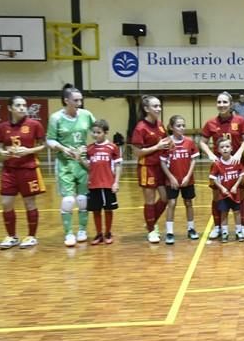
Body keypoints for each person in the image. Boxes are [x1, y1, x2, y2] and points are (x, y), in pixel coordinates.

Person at [47, 84, 95, 247]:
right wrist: (62, 148)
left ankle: (82, 229)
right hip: (65, 163)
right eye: (76, 100)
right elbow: (50, 140)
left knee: (82, 199)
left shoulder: (86, 115)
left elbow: (97, 131)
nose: (79, 103)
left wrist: (87, 148)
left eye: (81, 99)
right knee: (68, 200)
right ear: (66, 100)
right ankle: (68, 233)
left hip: (82, 162)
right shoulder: (56, 118)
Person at [0, 96, 46, 250]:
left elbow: (44, 145)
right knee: (6, 203)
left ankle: (31, 236)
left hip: (28, 169)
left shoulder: (34, 125)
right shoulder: (3, 127)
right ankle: (12, 236)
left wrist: (28, 151)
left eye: (24, 105)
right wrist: (3, 152)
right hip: (9, 170)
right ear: (10, 108)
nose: (22, 108)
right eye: (18, 105)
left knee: (29, 202)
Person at [199, 92, 244, 240]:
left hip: (237, 164)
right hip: (219, 166)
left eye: (224, 102)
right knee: (217, 197)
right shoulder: (211, 123)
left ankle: (242, 226)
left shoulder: (240, 120)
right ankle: (218, 227)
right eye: (219, 102)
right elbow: (202, 141)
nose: (221, 105)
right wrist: (209, 153)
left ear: (231, 104)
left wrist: (239, 153)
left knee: (240, 196)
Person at [131, 95, 171, 244]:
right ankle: (151, 230)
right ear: (146, 109)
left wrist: (170, 144)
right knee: (149, 200)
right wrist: (156, 147)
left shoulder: (160, 124)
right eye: (155, 106)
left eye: (160, 105)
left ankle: (150, 221)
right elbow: (136, 152)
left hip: (160, 166)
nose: (159, 109)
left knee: (165, 197)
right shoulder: (140, 128)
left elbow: (165, 142)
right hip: (147, 167)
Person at [161, 115, 200, 245]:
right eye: (178, 126)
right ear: (171, 127)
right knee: (171, 204)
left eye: (183, 125)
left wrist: (188, 176)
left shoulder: (189, 142)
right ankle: (170, 232)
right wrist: (171, 177)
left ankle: (191, 228)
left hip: (187, 179)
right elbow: (162, 162)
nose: (182, 128)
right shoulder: (166, 142)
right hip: (172, 180)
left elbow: (193, 159)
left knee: (188, 203)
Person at [83, 119, 122, 245]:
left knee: (108, 209)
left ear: (105, 133)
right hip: (94, 184)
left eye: (98, 132)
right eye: (93, 132)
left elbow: (118, 166)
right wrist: (79, 159)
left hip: (107, 184)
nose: (95, 135)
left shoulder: (112, 147)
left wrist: (116, 182)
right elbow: (88, 167)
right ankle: (99, 233)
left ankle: (108, 232)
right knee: (96, 210)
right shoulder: (89, 149)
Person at [209, 138, 244, 241]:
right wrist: (221, 188)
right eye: (222, 147)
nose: (225, 149)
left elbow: (241, 175)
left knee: (237, 212)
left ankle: (239, 231)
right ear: (218, 150)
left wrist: (235, 186)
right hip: (223, 194)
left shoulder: (236, 161)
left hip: (235, 193)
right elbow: (214, 178)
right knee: (224, 212)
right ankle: (224, 232)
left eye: (227, 146)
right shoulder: (217, 164)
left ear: (231, 148)